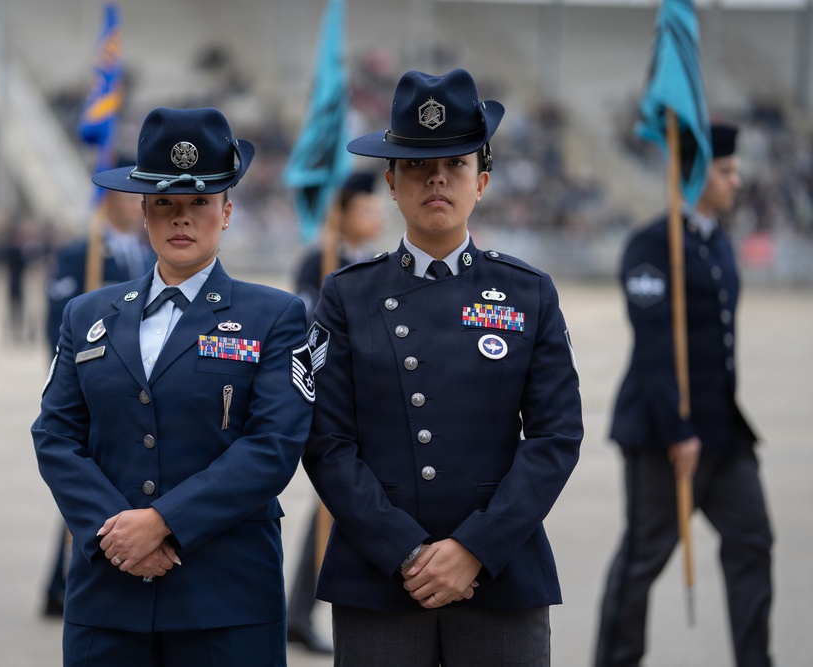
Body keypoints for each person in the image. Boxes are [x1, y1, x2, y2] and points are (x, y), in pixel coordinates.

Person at [301, 68, 583, 667]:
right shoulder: (347, 295)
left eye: (455, 163)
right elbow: (326, 442)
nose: (436, 178)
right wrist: (405, 551)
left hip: (498, 574)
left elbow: (555, 437)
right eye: (417, 165)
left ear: (481, 182)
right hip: (380, 576)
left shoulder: (528, 293)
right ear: (390, 182)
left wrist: (474, 548)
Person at [31, 106, 315, 666]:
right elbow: (55, 435)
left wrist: (163, 523)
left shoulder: (275, 316)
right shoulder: (86, 314)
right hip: (109, 596)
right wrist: (116, 535)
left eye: (200, 202)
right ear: (142, 212)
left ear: (227, 211)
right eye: (164, 202)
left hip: (225, 598)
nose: (181, 217)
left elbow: (273, 446)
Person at [594, 123, 773, 667]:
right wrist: (678, 430)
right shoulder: (652, 245)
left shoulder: (717, 241)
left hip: (723, 434)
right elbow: (653, 347)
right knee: (643, 558)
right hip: (663, 435)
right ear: (694, 174)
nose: (736, 180)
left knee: (753, 540)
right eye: (726, 171)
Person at [40, 157, 157, 617]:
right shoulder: (79, 253)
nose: (134, 204)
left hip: (137, 390)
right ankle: (63, 583)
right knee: (83, 486)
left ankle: (68, 578)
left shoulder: (147, 255)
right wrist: (71, 384)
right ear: (106, 199)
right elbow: (57, 325)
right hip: (95, 385)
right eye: (126, 196)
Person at [288, 171, 385, 654]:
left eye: (375, 208)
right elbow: (310, 332)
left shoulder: (377, 263)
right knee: (333, 506)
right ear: (341, 214)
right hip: (334, 401)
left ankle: (300, 611)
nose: (374, 216)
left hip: (373, 402)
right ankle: (300, 611)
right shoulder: (319, 262)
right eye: (364, 209)